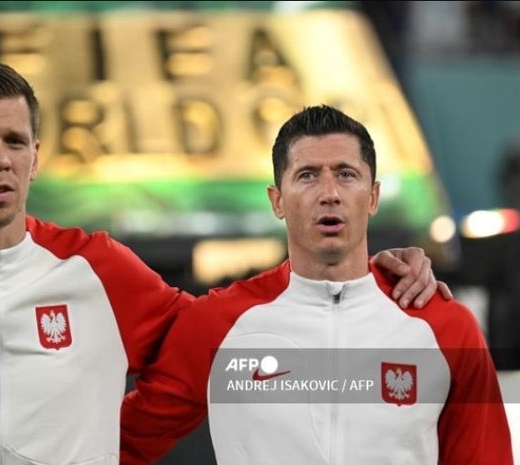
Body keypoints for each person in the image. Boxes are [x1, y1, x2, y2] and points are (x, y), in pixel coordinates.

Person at [0, 63, 447, 465]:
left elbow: (230, 333)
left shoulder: (97, 271)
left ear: (36, 157)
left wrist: (362, 275)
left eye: (14, 142)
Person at [120, 105, 513, 465]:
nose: (329, 194)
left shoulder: (445, 328)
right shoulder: (218, 324)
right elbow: (117, 445)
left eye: (346, 174)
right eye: (307, 176)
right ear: (277, 201)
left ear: (373, 196)